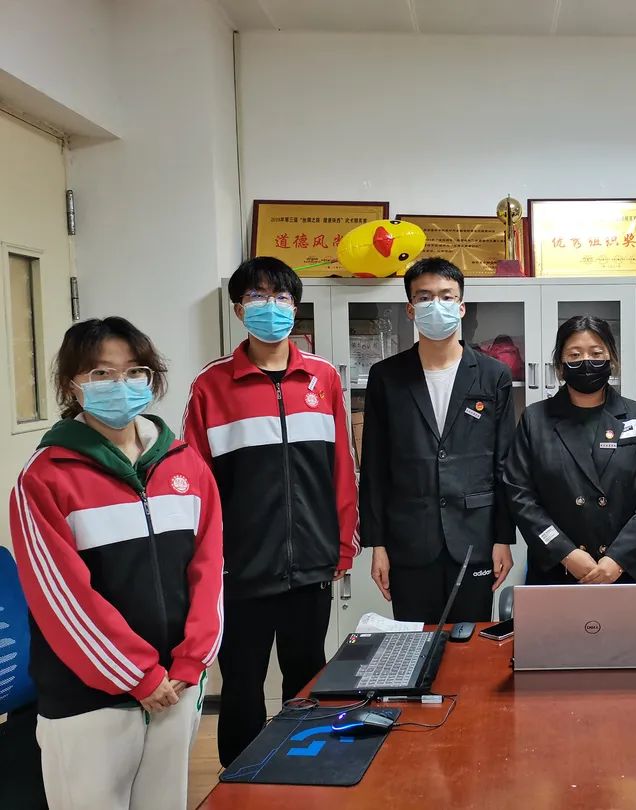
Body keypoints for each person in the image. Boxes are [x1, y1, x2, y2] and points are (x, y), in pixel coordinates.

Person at [10, 318, 223, 810]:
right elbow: (62, 600)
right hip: (89, 700)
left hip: (175, 687)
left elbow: (210, 569)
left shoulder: (184, 464)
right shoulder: (44, 478)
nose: (120, 384)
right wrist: (137, 675)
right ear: (72, 385)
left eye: (133, 371)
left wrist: (192, 661)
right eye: (101, 373)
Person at [182, 256, 358, 767]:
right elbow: (195, 484)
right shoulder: (211, 385)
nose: (270, 306)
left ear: (295, 307)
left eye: (280, 297)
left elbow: (342, 468)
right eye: (257, 297)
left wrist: (342, 545)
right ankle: (240, 782)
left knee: (306, 678)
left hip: (311, 564)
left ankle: (304, 772)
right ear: (239, 310)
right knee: (242, 682)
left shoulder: (322, 378)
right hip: (240, 569)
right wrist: (206, 561)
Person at [360, 257, 515, 622]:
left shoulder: (493, 375)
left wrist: (503, 538)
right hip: (409, 541)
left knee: (470, 644)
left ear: (461, 307)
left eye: (447, 296)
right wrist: (377, 544)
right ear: (410, 309)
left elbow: (504, 463)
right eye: (425, 297)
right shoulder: (386, 376)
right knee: (415, 645)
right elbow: (374, 467)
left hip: (475, 537)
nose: (437, 305)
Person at [503, 315, 636, 584]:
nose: (586, 362)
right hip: (557, 570)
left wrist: (618, 558)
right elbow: (520, 495)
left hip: (625, 571)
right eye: (574, 354)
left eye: (596, 353)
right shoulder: (535, 420)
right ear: (560, 365)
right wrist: (564, 552)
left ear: (611, 359)